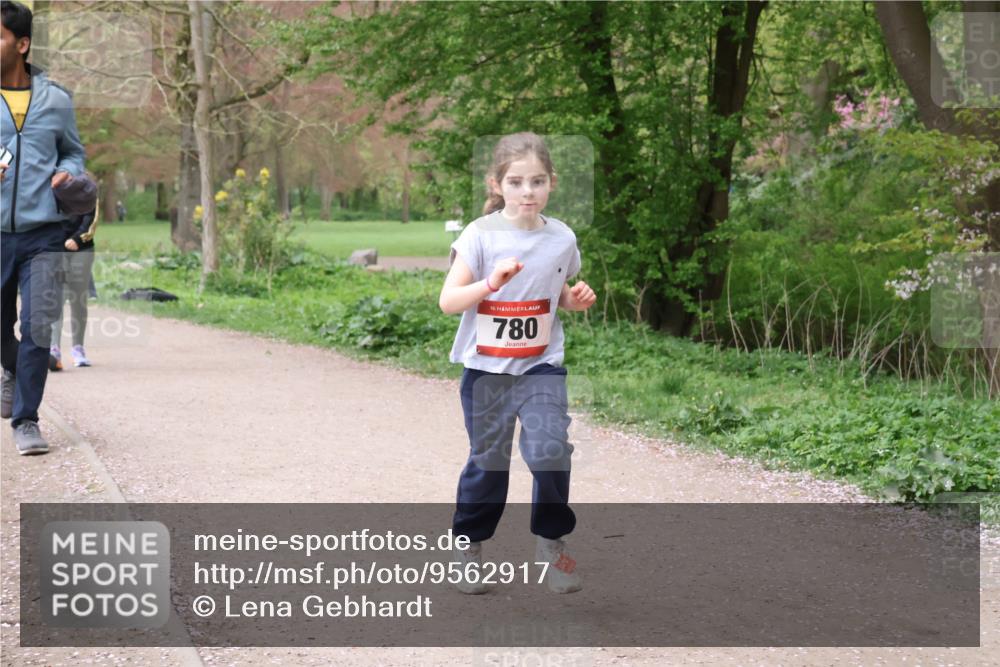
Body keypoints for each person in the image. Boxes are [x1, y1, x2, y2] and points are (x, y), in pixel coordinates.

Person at [438, 132, 596, 594]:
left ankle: (551, 545)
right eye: (516, 182)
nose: (527, 191)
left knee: (550, 452)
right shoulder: (479, 235)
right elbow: (449, 301)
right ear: (498, 184)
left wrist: (574, 298)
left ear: (552, 183)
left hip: (541, 366)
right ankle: (467, 547)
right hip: (487, 371)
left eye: (537, 181)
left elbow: (558, 292)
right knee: (489, 464)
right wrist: (491, 282)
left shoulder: (562, 237)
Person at [1, 0, 88, 455]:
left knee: (38, 328)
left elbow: (74, 151)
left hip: (43, 235)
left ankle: (26, 421)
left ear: (22, 44)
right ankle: (11, 370)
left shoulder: (56, 98)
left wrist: (67, 173)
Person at [49, 198, 98, 371]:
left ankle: (78, 348)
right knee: (57, 299)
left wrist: (78, 238)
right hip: (56, 248)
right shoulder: (49, 183)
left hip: (82, 249)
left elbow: (91, 217)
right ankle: (54, 350)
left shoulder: (86, 186)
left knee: (78, 299)